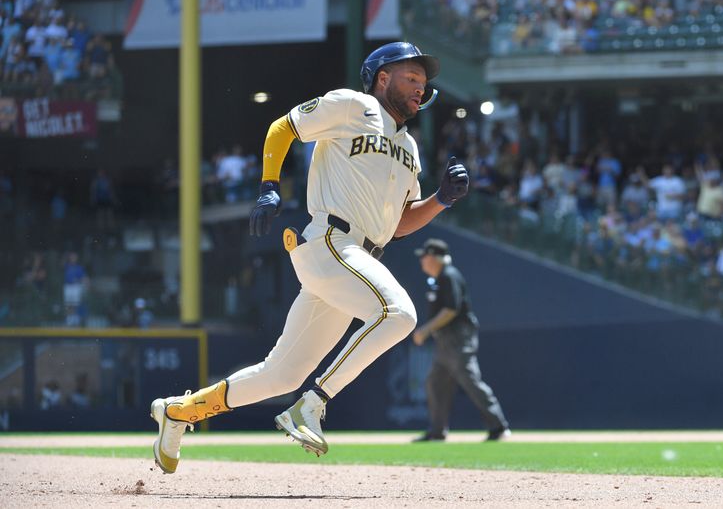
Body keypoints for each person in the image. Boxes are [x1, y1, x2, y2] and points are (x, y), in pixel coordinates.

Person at [149, 42, 469, 474]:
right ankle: (313, 404)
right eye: (410, 77)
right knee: (400, 315)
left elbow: (399, 225)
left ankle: (179, 412)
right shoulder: (351, 105)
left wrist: (441, 200)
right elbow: (283, 127)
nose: (419, 87)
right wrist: (268, 184)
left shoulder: (409, 146)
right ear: (382, 77)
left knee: (279, 374)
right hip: (332, 242)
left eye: (423, 82)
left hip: (353, 261)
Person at [411, 238, 509, 442]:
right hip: (446, 342)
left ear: (434, 257)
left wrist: (426, 330)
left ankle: (499, 428)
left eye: (425, 256)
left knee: (471, 380)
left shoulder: (449, 275)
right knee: (435, 383)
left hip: (458, 338)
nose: (422, 260)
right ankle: (437, 432)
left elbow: (451, 309)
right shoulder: (439, 278)